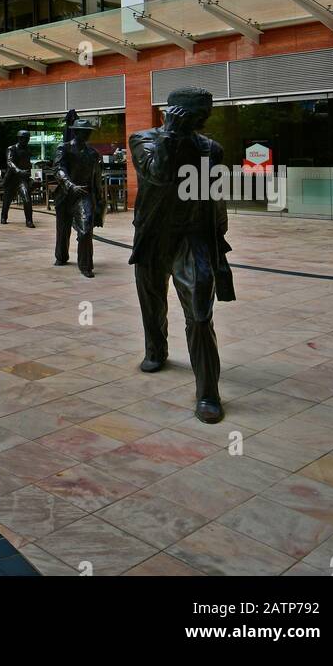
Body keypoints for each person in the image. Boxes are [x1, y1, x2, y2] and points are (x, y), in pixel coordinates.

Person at [128, 86, 235, 425]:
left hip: (193, 237)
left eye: (207, 114)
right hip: (154, 235)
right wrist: (171, 134)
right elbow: (157, 174)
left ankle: (208, 392)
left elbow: (214, 195)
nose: (204, 120)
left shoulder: (209, 148)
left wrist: (220, 242)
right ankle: (156, 350)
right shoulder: (144, 139)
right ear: (176, 113)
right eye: (198, 114)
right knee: (153, 298)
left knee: (200, 314)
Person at [53, 121, 104, 276]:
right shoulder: (64, 148)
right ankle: (61, 256)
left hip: (84, 195)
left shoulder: (93, 154)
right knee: (63, 230)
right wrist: (69, 185)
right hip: (65, 194)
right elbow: (58, 169)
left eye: (89, 131)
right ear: (76, 132)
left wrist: (100, 201)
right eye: (84, 131)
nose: (88, 134)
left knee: (85, 230)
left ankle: (86, 265)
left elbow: (96, 179)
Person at [0, 129, 35, 227]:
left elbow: (28, 163)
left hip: (22, 179)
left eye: (28, 139)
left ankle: (29, 220)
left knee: (26, 198)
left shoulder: (28, 150)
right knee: (7, 200)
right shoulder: (11, 148)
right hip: (12, 178)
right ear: (19, 138)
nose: (26, 141)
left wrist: (28, 170)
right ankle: (3, 217)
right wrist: (19, 171)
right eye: (25, 139)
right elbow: (10, 162)